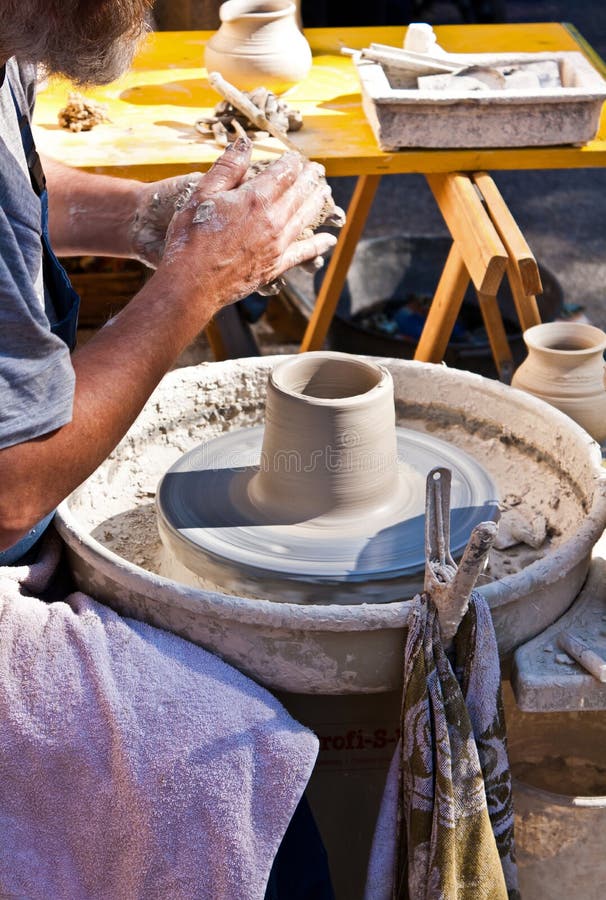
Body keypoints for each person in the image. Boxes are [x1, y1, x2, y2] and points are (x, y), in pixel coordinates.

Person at [0, 2, 336, 897]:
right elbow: (13, 486)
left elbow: (16, 187)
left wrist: (145, 215)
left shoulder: (6, 47)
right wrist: (195, 285)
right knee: (242, 773)